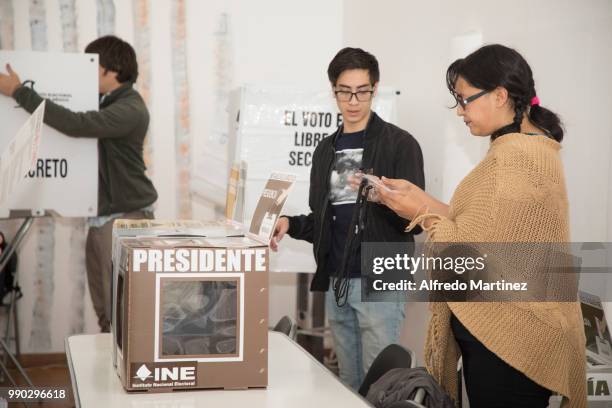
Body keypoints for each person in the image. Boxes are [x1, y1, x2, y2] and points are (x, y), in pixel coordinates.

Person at [375, 44, 586, 407]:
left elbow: (470, 253)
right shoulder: (520, 149)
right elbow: (479, 227)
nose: (460, 111)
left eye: (465, 99)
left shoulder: (516, 160)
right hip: (501, 338)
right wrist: (418, 198)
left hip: (511, 344)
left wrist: (420, 213)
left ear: (500, 95)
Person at [271, 47, 425, 390]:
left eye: (362, 91)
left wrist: (382, 198)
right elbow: (324, 220)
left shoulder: (400, 145)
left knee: (382, 387)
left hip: (380, 280)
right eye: (345, 91)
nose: (353, 101)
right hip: (337, 279)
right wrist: (290, 224)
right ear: (334, 91)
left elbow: (416, 218)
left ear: (375, 89)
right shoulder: (326, 150)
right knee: (348, 386)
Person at [0, 35, 158, 333]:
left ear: (108, 70)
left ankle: (127, 378)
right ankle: (108, 376)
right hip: (103, 220)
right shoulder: (107, 103)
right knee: (106, 311)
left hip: (125, 220)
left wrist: (19, 92)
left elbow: (77, 125)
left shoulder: (130, 108)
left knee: (120, 315)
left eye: (90, 67)